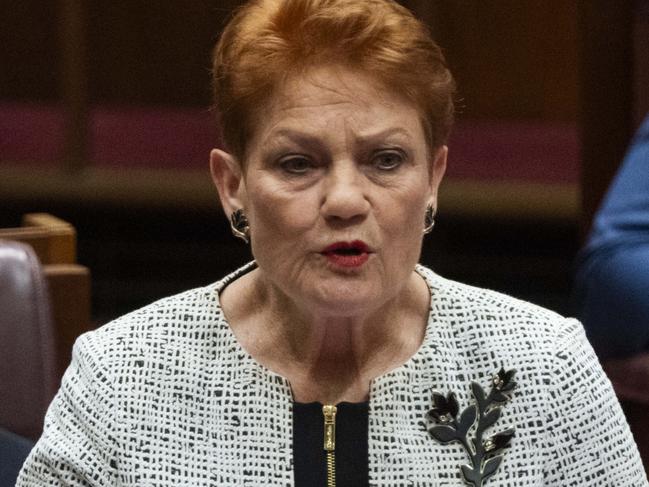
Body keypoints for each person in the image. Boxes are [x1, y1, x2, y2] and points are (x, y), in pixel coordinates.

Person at [18, 0, 647, 485]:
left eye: (386, 159)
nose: (345, 200)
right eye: (298, 164)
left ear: (434, 179)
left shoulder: (543, 368)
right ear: (232, 186)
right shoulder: (127, 376)